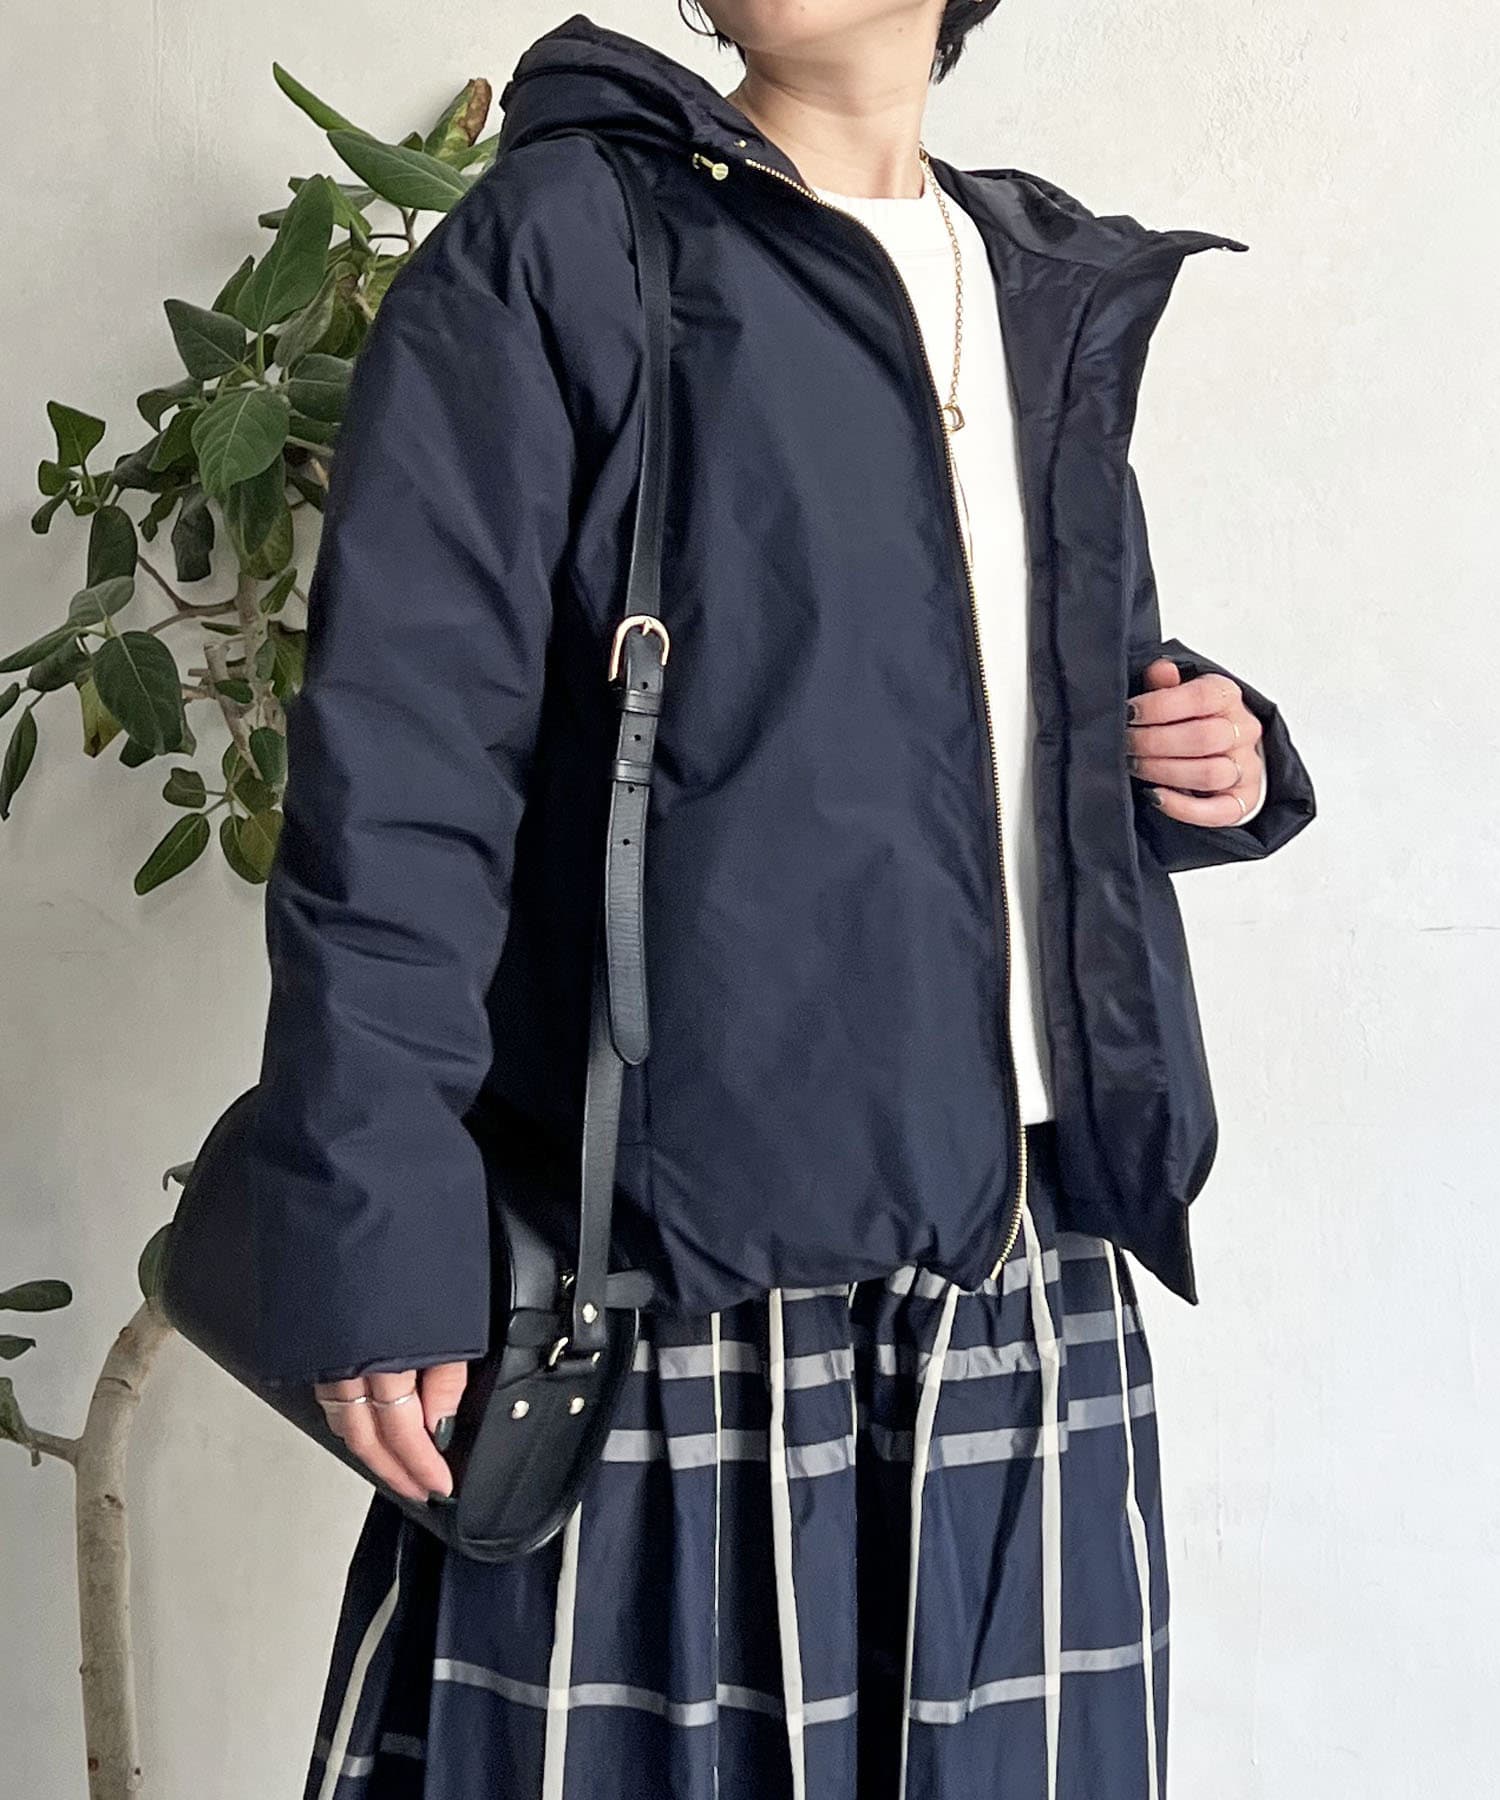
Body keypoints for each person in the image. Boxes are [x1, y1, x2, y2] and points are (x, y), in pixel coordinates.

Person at [263, 8, 1315, 1798]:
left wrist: (1210, 751)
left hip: (1020, 1255)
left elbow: (993, 694)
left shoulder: (1034, 276)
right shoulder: (569, 239)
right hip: (680, 1268)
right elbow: (402, 768)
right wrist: (377, 1235)